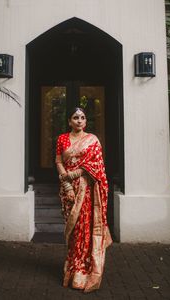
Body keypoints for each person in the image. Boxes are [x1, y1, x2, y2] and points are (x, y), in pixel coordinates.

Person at [55, 107, 113, 293]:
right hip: (68, 190)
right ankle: (72, 270)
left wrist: (74, 174)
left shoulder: (92, 140)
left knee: (84, 228)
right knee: (73, 232)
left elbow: (96, 165)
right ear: (69, 122)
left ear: (86, 122)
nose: (79, 120)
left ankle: (84, 271)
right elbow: (58, 161)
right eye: (75, 117)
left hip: (87, 190)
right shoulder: (62, 139)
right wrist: (67, 184)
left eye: (82, 117)